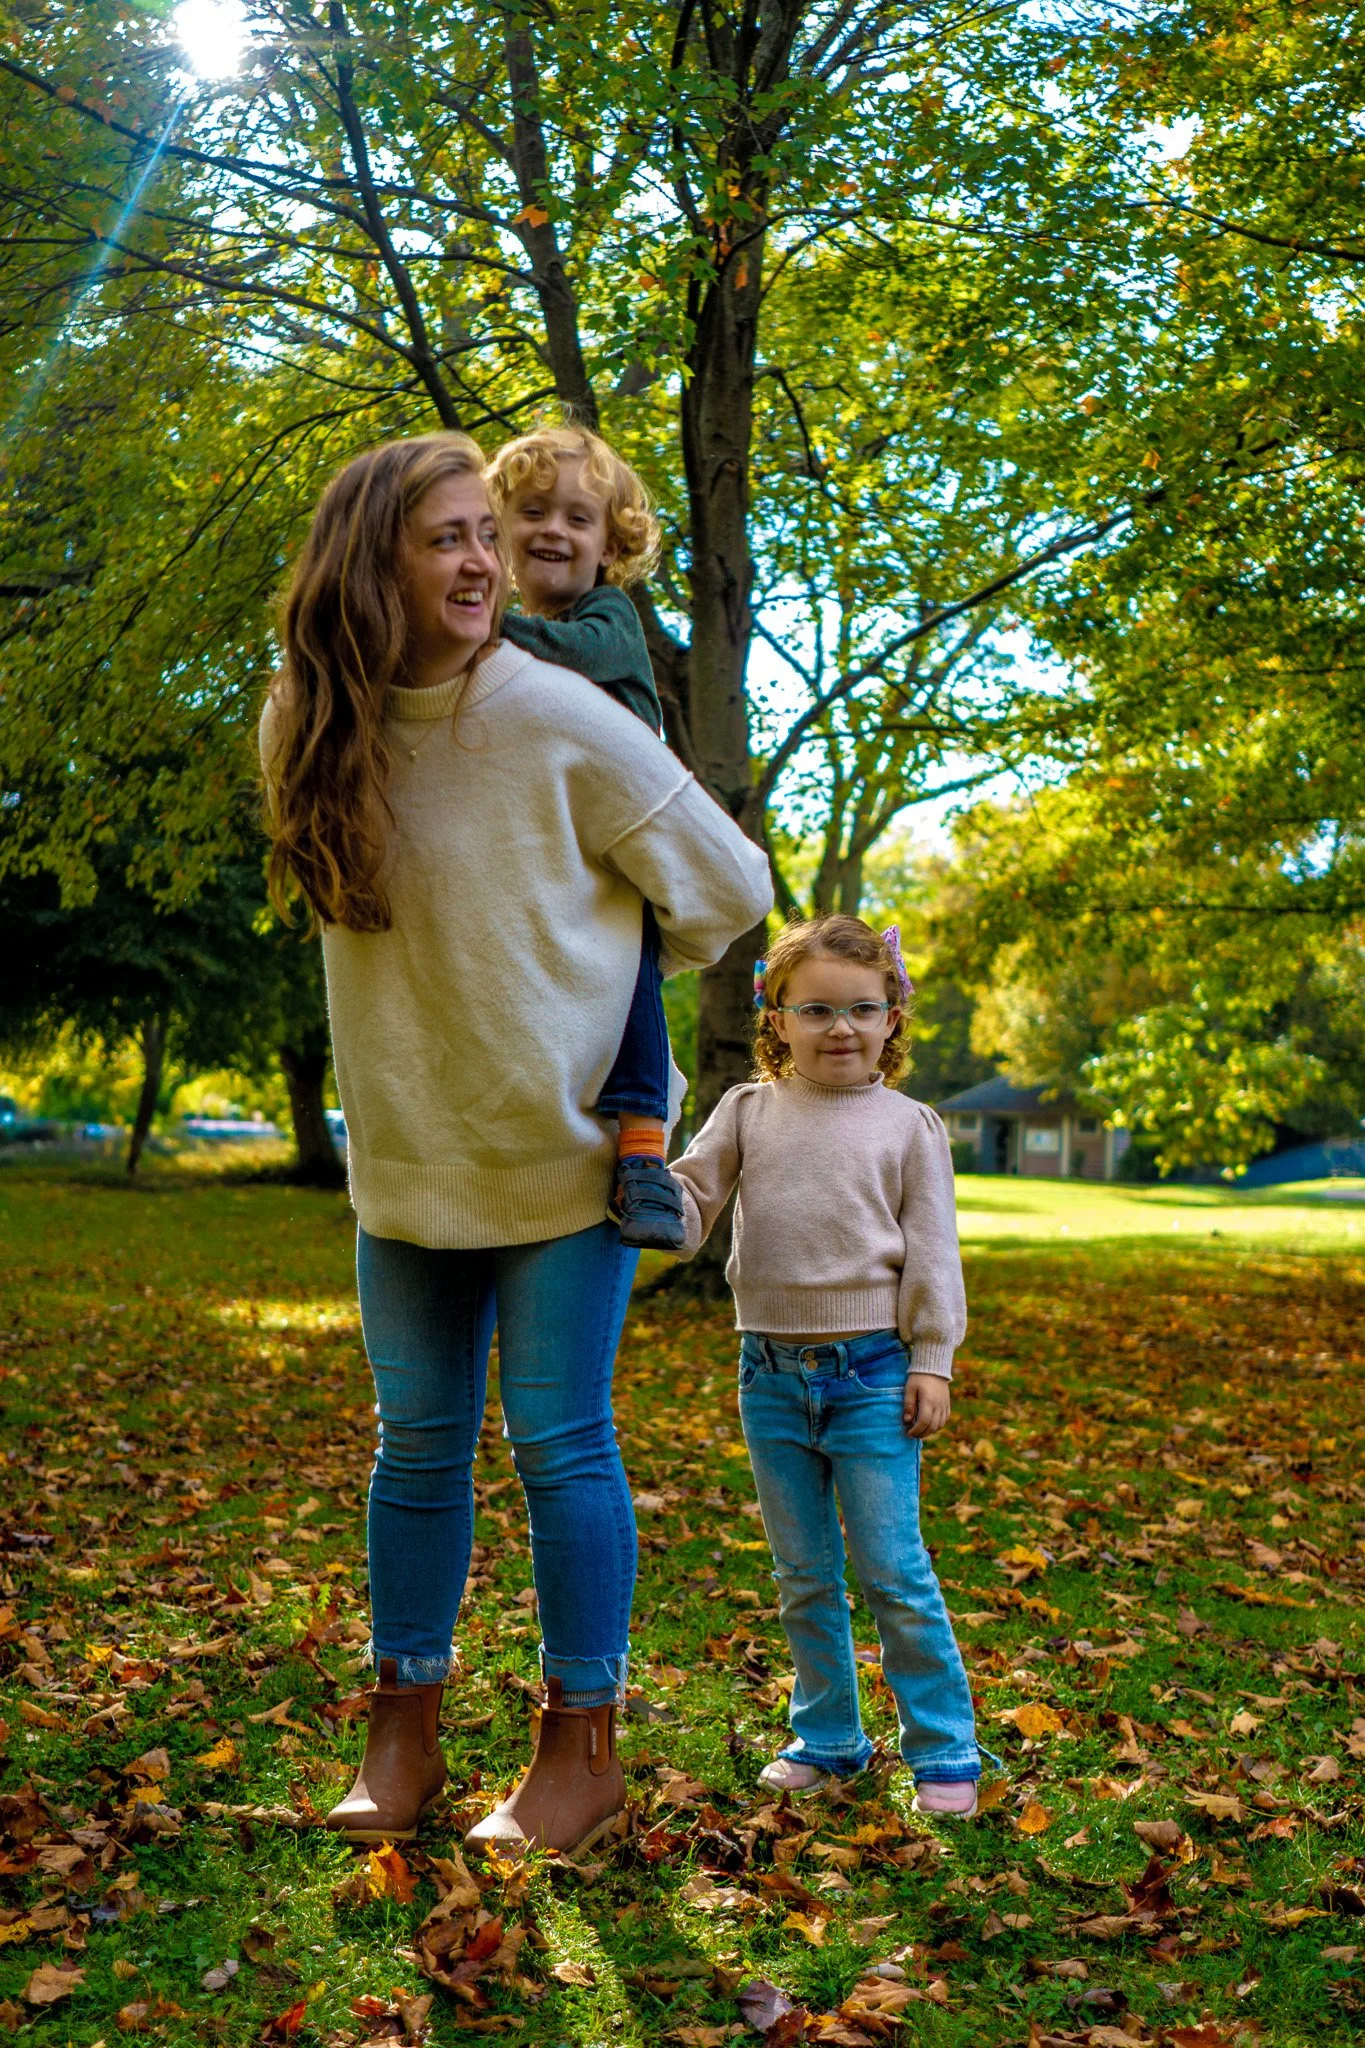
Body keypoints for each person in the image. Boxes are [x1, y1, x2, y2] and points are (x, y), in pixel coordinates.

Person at [260, 432, 772, 1854]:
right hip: (409, 1165)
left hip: (562, 1168)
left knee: (558, 1443)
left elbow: (728, 887)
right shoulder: (306, 718)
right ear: (374, 561)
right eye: (448, 538)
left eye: (490, 534)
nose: (483, 562)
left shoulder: (559, 714)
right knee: (413, 1452)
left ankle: (579, 1751)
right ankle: (401, 1736)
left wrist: (607, 963)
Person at [669, 915, 983, 1816]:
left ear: (892, 1019)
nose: (840, 1028)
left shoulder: (908, 1125)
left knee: (891, 1571)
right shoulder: (746, 1111)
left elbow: (932, 1250)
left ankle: (943, 1753)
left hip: (874, 1374)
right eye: (816, 1010)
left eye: (861, 1009)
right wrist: (650, 1202)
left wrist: (933, 1359)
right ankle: (829, 1738)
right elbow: (691, 1200)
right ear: (775, 1017)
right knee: (803, 1574)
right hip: (767, 1374)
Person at [487, 423, 685, 1254]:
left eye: (577, 518)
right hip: (547, 846)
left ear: (611, 544)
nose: (553, 531)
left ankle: (643, 1151)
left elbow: (576, 654)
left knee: (631, 975)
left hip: (621, 845)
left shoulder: (606, 618)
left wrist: (482, 631)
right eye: (532, 512)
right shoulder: (506, 637)